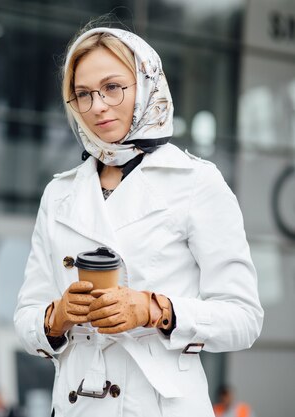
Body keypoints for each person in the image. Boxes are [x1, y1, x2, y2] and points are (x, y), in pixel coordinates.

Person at [13, 21, 264, 417]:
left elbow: (244, 318)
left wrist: (153, 309)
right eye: (82, 94)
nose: (97, 106)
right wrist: (58, 316)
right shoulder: (59, 193)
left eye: (112, 87)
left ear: (146, 83)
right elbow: (26, 317)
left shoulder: (197, 182)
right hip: (78, 404)